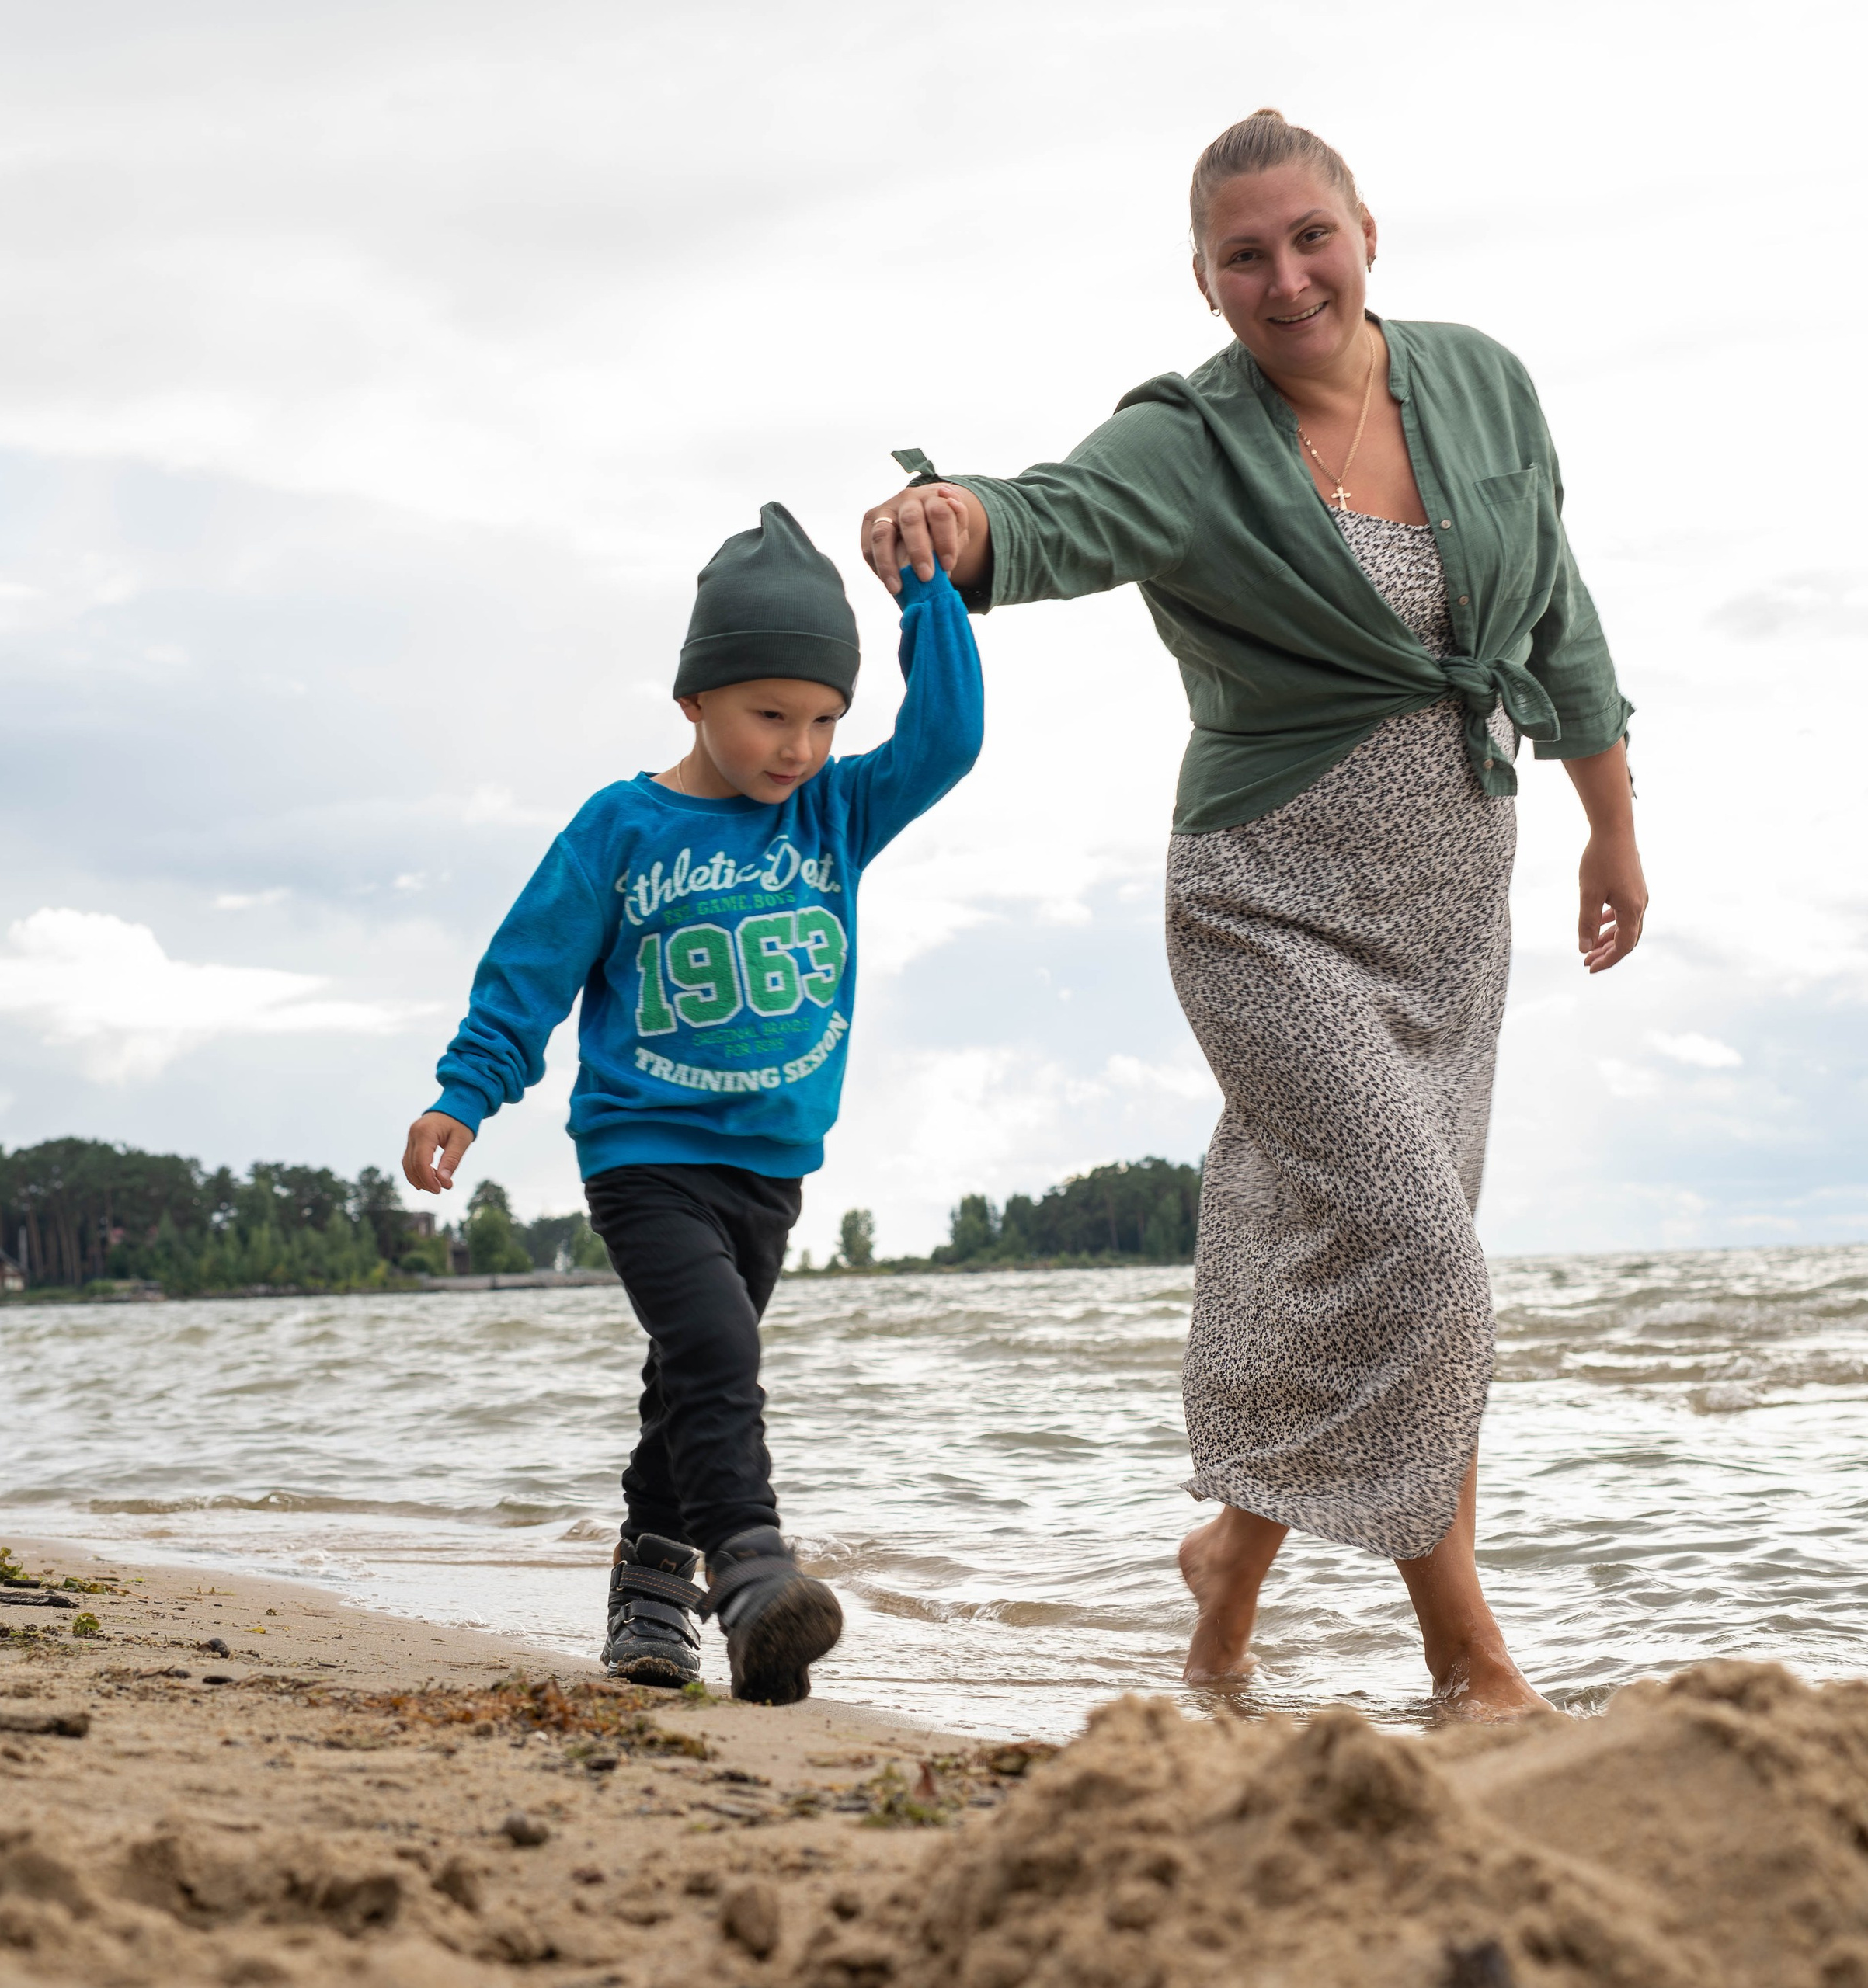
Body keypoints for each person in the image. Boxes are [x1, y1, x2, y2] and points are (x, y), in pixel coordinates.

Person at [861, 109, 1644, 1719]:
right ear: (1204, 281)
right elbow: (1055, 511)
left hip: (1448, 903)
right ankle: (1466, 1651)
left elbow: (1556, 609)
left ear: (1366, 231)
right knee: (1425, 1256)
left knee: (1357, 1256)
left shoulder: (1484, 382)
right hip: (1263, 897)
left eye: (1309, 238)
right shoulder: (1191, 441)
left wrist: (1607, 825)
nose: (1284, 278)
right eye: (1243, 255)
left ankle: (1232, 1563)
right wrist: (949, 519)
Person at [402, 503, 982, 1705]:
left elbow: (948, 740)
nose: (800, 748)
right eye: (771, 715)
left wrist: (928, 602)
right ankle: (755, 1578)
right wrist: (468, 1093)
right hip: (643, 1151)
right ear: (695, 703)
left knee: (689, 1384)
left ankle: (646, 1599)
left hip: (771, 1161)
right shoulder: (624, 827)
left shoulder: (835, 815)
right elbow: (533, 968)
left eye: (825, 719)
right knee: (717, 1351)